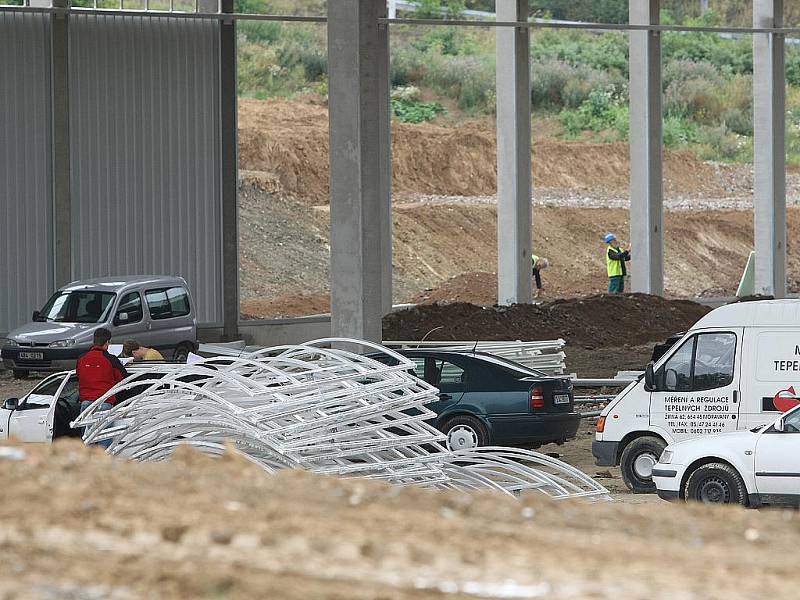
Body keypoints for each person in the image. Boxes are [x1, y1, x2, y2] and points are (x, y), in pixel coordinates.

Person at [76, 328, 128, 447]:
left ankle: (87, 461)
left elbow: (79, 375)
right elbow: (124, 379)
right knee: (104, 439)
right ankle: (102, 463)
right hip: (105, 403)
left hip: (86, 405)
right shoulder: (111, 360)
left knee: (87, 439)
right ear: (107, 343)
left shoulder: (81, 358)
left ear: (94, 341)